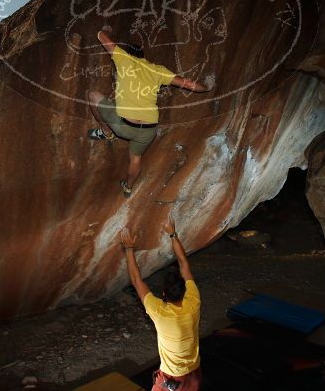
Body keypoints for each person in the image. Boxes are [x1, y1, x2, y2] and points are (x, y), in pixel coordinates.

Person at [87, 25, 213, 197]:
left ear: (129, 54)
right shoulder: (157, 70)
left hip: (123, 125)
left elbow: (101, 36)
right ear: (143, 57)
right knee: (136, 158)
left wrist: (106, 30)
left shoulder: (124, 59)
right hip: (148, 130)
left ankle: (106, 132)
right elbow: (189, 85)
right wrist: (206, 88)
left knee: (92, 95)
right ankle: (128, 187)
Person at [119, 216, 202, 391]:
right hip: (194, 374)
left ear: (164, 293)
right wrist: (172, 234)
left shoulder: (160, 312)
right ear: (185, 290)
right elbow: (184, 264)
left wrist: (128, 248)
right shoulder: (193, 301)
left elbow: (136, 280)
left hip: (173, 379)